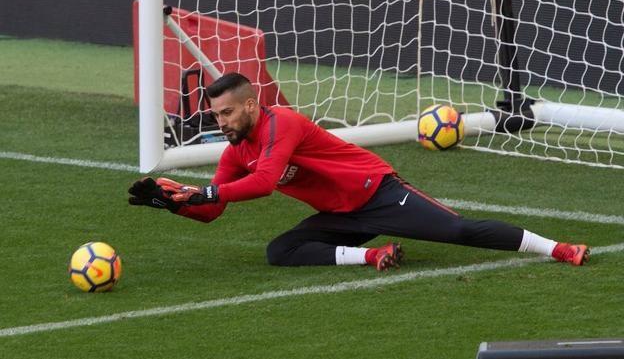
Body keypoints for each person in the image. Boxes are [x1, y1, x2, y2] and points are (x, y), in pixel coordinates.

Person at [129, 72, 590, 271]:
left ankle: (558, 249)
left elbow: (266, 183)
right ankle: (371, 257)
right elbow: (215, 209)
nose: (221, 123)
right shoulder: (235, 149)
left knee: (461, 230)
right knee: (281, 251)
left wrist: (203, 192)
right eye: (216, 117)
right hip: (341, 215)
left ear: (251, 104)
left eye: (227, 113)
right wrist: (180, 205)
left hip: (378, 193)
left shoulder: (280, 124)